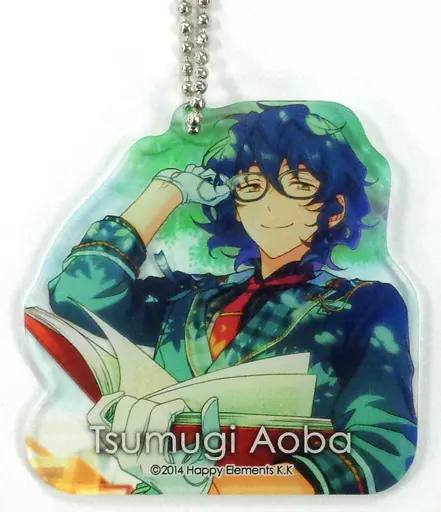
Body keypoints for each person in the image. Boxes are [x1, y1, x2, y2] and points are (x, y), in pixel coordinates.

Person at [48, 104, 417, 495]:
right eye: (252, 187)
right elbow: (77, 294)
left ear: (335, 209)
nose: (270, 205)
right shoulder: (189, 297)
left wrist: (212, 488)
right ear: (236, 207)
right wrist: (167, 191)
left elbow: (382, 449)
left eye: (298, 185)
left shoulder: (363, 305)